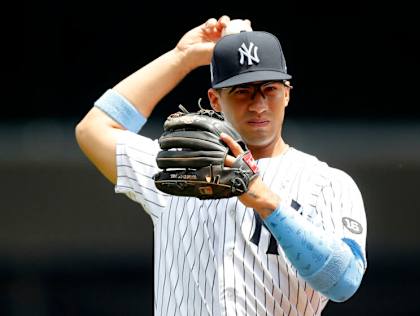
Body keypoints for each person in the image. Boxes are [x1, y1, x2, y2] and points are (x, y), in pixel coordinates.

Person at [76, 15, 367, 316]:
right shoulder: (181, 170)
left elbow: (344, 281)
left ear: (287, 93)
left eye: (269, 89)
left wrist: (267, 202)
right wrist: (182, 59)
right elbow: (93, 129)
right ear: (215, 100)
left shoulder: (326, 183)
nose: (258, 104)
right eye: (242, 91)